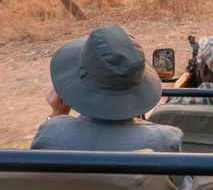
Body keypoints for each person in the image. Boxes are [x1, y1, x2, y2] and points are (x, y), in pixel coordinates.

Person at [31, 24, 183, 154]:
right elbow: (181, 188)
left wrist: (58, 113)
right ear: (139, 84)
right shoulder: (166, 141)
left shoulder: (50, 134)